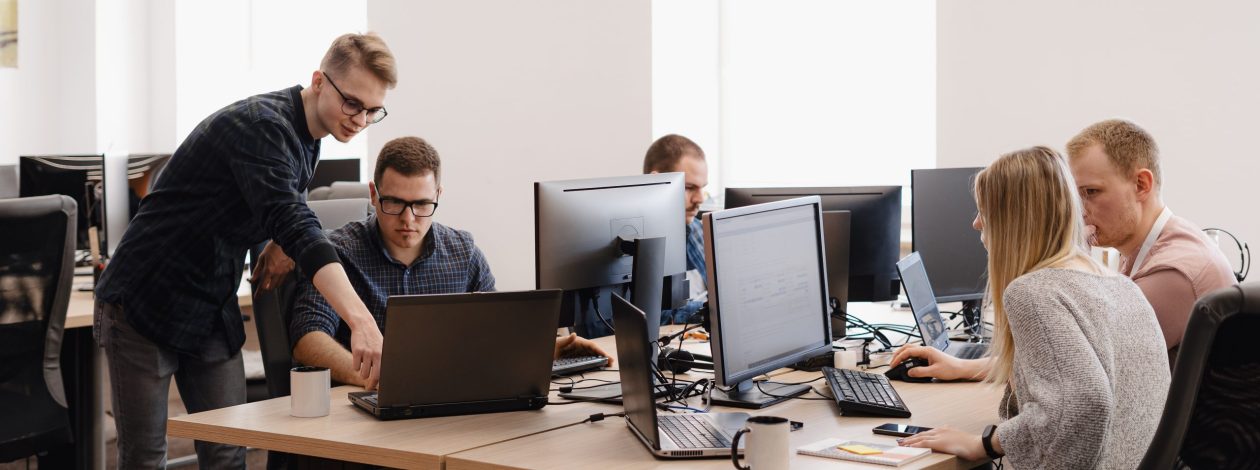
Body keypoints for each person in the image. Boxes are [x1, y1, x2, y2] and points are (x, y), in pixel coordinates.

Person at [94, 33, 395, 468]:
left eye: (372, 111)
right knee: (145, 457)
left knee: (229, 450)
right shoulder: (261, 125)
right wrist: (362, 321)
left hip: (209, 304)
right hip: (144, 298)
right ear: (318, 81)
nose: (360, 119)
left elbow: (262, 201)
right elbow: (296, 222)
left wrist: (273, 241)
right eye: (353, 104)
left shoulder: (309, 135)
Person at [895, 147, 1170, 468]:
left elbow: (1082, 403)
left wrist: (984, 443)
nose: (976, 223)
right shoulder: (1120, 285)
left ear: (1012, 219)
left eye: (985, 210)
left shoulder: (1033, 292)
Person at [289, 136, 611, 386]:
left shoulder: (463, 253)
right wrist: (373, 378)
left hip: (449, 402)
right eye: (394, 203)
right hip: (368, 405)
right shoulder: (337, 253)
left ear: (438, 196)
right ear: (374, 195)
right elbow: (308, 340)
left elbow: (495, 334)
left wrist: (552, 348)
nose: (408, 218)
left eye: (422, 204)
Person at [1066, 119, 1237, 365]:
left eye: (1091, 192)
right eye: (1075, 195)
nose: (1080, 211)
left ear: (1141, 185)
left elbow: (1078, 367)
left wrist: (1068, 258)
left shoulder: (1173, 273)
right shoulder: (1150, 247)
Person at [643, 134, 710, 325]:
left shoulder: (696, 229)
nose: (700, 199)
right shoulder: (626, 244)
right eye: (689, 187)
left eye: (702, 188)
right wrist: (710, 311)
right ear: (655, 183)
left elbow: (723, 295)